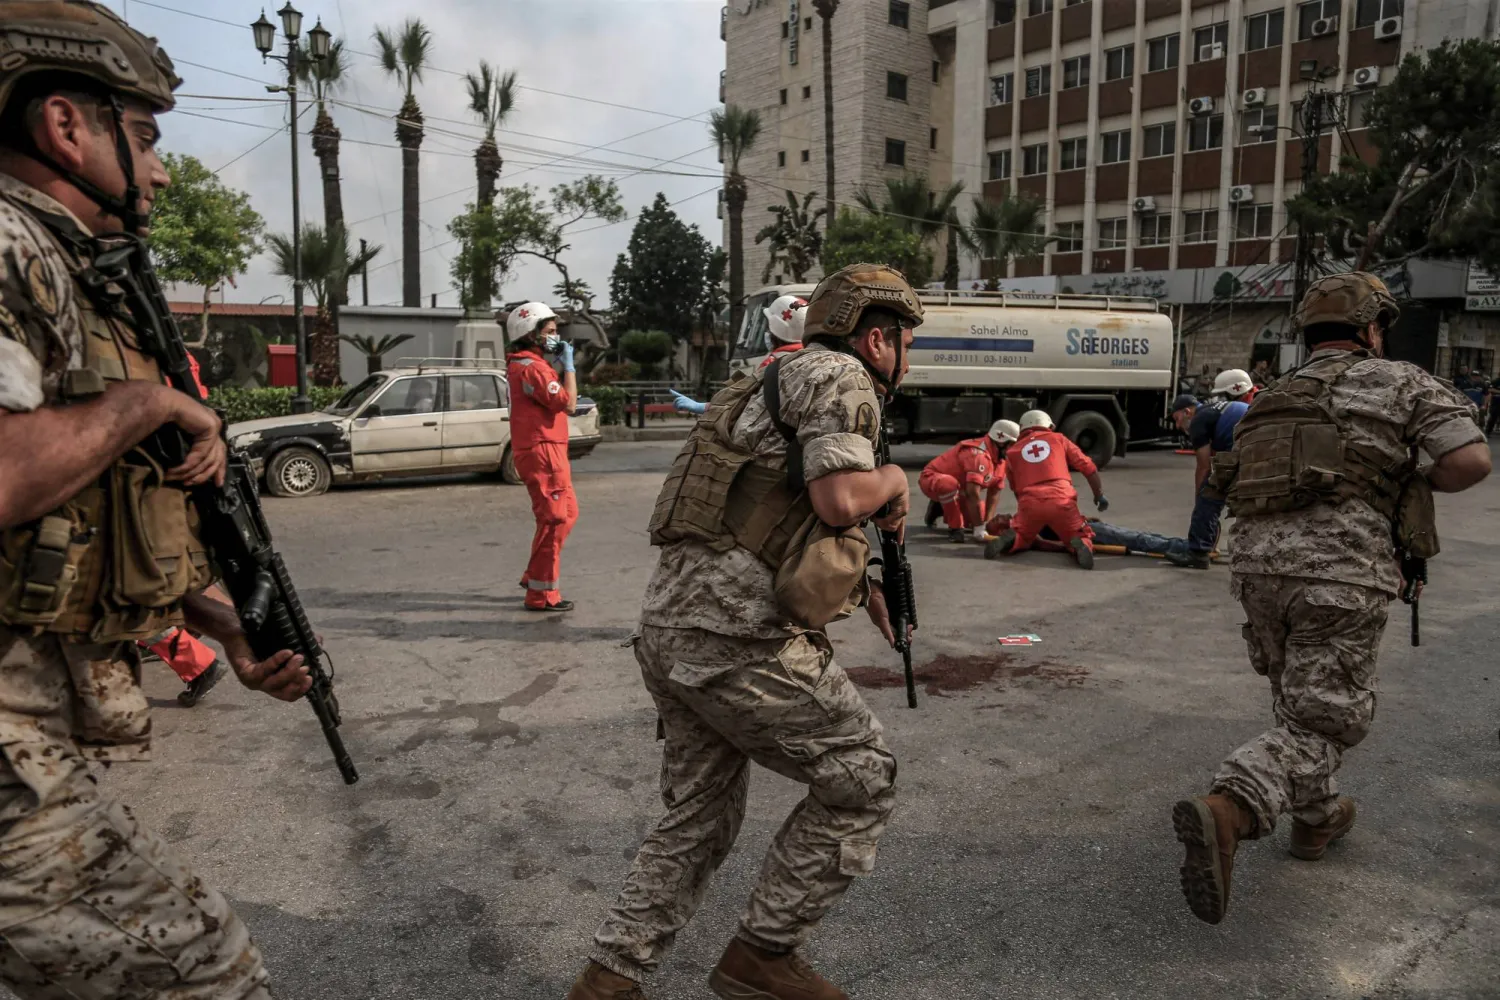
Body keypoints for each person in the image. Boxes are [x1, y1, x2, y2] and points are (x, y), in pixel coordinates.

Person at [0, 5, 315, 994]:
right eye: (143, 138)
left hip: (33, 718)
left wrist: (224, 621)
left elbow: (64, 527)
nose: (164, 170)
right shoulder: (7, 242)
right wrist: (142, 404)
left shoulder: (70, 267)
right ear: (64, 126)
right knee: (207, 967)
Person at [568, 264, 920, 1000]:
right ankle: (762, 954)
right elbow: (839, 498)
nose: (906, 359)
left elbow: (759, 511)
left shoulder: (767, 375)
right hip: (739, 642)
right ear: (879, 339)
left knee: (699, 815)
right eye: (906, 342)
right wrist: (895, 482)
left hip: (672, 631)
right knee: (862, 775)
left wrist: (866, 582)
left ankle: (609, 979)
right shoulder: (843, 378)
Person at [1172, 272, 1491, 926]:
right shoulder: (1401, 381)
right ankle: (1233, 804)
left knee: (1302, 699)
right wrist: (1407, 471)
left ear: (1308, 333)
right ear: (1373, 329)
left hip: (1256, 568)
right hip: (1341, 572)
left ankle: (1316, 820)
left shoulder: (1270, 394)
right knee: (1329, 718)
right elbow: (1469, 461)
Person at [506, 301, 580, 612]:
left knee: (568, 513)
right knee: (554, 519)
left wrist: (559, 367)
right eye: (550, 332)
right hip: (544, 452)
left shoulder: (529, 365)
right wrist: (571, 367)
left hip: (545, 449)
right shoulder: (533, 368)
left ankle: (533, 575)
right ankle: (542, 595)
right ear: (530, 333)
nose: (556, 337)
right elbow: (569, 403)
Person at [983, 410, 1108, 569]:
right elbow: (1089, 468)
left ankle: (1014, 537)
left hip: (1030, 501)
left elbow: (1016, 490)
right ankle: (1080, 544)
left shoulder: (1013, 452)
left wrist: (1029, 514)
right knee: (1079, 533)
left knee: (1024, 535)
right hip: (1062, 499)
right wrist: (1099, 495)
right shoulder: (1058, 439)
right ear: (1047, 425)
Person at [670, 295, 808, 416]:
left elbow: (743, 407)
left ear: (776, 330)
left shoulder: (772, 366)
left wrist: (702, 407)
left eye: (768, 327)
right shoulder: (818, 358)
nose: (766, 331)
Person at [1164, 391, 1249, 570]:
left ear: (1187, 411)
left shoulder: (1198, 422)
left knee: (1209, 495)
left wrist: (1199, 498)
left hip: (1246, 446)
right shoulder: (1212, 411)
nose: (1178, 425)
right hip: (1259, 443)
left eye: (1177, 418)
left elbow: (1203, 466)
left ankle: (1198, 553)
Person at [919, 419, 1019, 542]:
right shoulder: (978, 455)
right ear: (1001, 441)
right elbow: (972, 494)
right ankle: (955, 528)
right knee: (949, 485)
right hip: (932, 478)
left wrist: (986, 524)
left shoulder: (1000, 460)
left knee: (977, 519)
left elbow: (994, 493)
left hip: (962, 488)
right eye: (1012, 444)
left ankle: (939, 508)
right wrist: (979, 528)